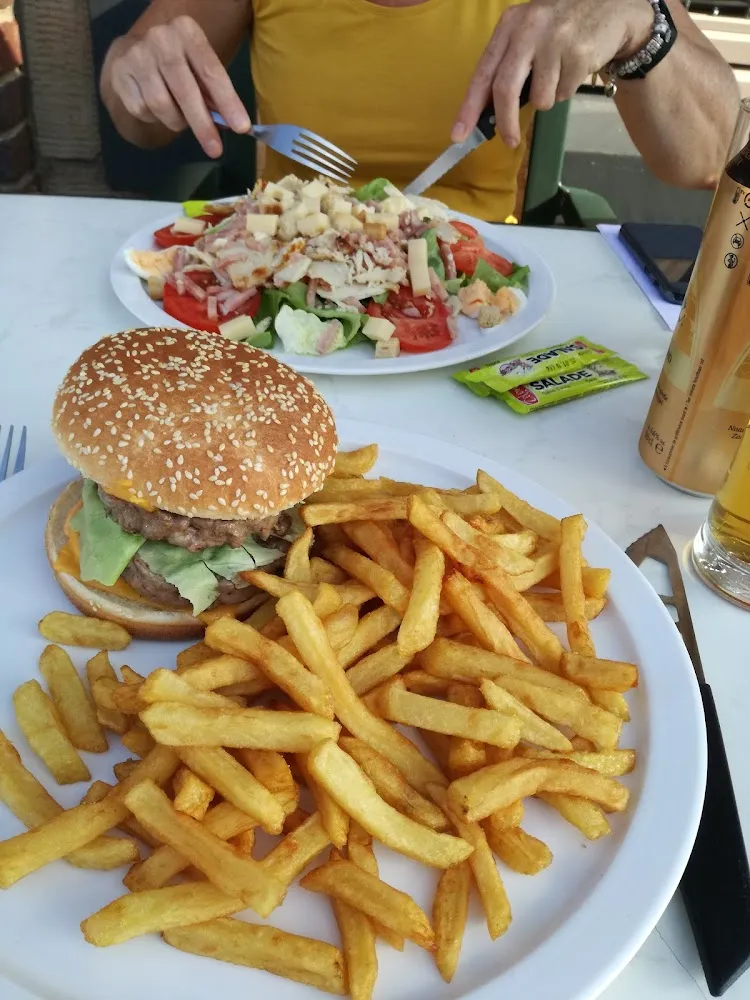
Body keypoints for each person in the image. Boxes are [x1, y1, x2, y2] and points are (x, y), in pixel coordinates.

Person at [101, 0, 738, 222]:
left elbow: (708, 158)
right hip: (283, 267)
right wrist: (131, 71)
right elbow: (141, 125)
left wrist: (639, 20)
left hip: (478, 289)